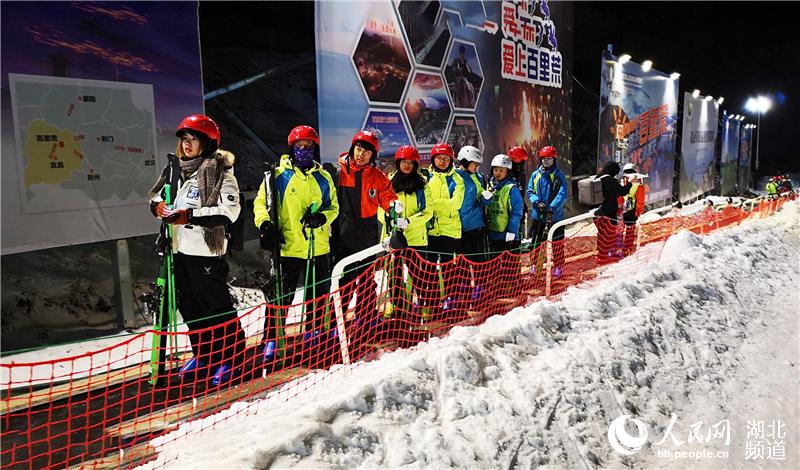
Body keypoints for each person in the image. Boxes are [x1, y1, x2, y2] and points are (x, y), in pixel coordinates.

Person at [149, 114, 246, 386]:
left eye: (194, 139)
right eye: (184, 138)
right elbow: (158, 196)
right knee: (190, 306)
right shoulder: (175, 169)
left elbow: (229, 212)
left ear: (207, 142)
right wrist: (157, 207)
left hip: (206, 252)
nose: (187, 144)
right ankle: (205, 355)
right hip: (178, 250)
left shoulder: (219, 171)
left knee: (215, 307)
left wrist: (188, 216)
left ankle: (231, 359)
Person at [254, 125, 339, 366]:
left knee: (317, 295)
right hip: (287, 247)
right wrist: (266, 225)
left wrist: (322, 217)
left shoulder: (323, 177)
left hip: (316, 245)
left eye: (308, 146)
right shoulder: (277, 175)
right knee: (280, 296)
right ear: (292, 148)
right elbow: (261, 204)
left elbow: (334, 207)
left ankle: (315, 332)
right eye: (299, 146)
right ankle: (272, 338)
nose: (304, 150)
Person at [334, 130, 399, 327]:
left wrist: (395, 208)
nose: (361, 154)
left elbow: (388, 197)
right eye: (359, 149)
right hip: (343, 233)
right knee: (344, 281)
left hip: (367, 233)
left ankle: (367, 317)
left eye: (367, 152)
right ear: (353, 149)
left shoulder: (377, 176)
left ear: (373, 156)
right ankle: (338, 322)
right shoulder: (338, 172)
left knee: (366, 278)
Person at [378, 145, 433, 344]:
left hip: (415, 238)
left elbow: (428, 211)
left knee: (419, 274)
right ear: (398, 163)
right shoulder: (389, 182)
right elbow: (380, 207)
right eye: (404, 162)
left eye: (411, 163)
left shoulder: (422, 185)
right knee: (393, 273)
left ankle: (424, 304)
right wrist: (389, 219)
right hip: (393, 238)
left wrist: (409, 222)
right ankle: (398, 305)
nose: (407, 166)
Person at [426, 142, 465, 313]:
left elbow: (455, 204)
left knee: (449, 267)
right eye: (439, 158)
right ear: (433, 159)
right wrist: (439, 205)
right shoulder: (426, 178)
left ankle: (451, 298)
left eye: (446, 158)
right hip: (431, 230)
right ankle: (433, 301)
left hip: (449, 230)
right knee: (430, 267)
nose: (442, 162)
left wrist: (432, 204)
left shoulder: (457, 179)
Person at [526, 146, 568, 275]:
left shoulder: (559, 176)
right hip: (538, 216)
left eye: (549, 160)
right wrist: (536, 201)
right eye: (544, 160)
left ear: (554, 160)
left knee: (557, 242)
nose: (546, 162)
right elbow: (530, 191)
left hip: (554, 217)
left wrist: (552, 208)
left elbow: (562, 194)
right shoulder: (535, 175)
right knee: (536, 241)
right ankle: (535, 265)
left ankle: (558, 267)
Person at [486, 154, 524, 298]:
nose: (498, 173)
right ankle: (497, 289)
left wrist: (512, 231)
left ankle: (515, 288)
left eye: (502, 170)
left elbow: (517, 211)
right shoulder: (490, 186)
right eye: (496, 170)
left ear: (507, 171)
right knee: (494, 265)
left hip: (508, 234)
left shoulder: (511, 188)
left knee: (510, 264)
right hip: (493, 232)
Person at [455, 145, 491, 261]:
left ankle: (480, 280)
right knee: (462, 264)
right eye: (474, 164)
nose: (477, 167)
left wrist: (486, 198)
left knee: (478, 262)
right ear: (465, 162)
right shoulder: (455, 176)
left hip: (475, 226)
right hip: (459, 227)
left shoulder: (478, 177)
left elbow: (480, 200)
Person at [593, 161, 632, 264]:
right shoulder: (610, 180)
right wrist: (629, 184)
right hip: (608, 212)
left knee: (601, 234)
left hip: (596, 212)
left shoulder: (597, 178)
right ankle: (604, 256)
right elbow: (622, 192)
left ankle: (601, 255)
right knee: (608, 235)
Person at [618, 163, 646, 255]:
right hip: (631, 209)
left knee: (620, 230)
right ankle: (626, 249)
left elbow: (619, 196)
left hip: (624, 209)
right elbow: (640, 198)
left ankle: (621, 249)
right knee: (629, 230)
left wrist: (618, 208)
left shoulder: (623, 181)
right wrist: (638, 211)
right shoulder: (638, 183)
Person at [508, 146, 530, 239]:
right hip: (509, 211)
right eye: (522, 160)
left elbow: (521, 191)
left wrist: (523, 204)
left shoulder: (521, 174)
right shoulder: (507, 175)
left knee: (518, 233)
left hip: (518, 209)